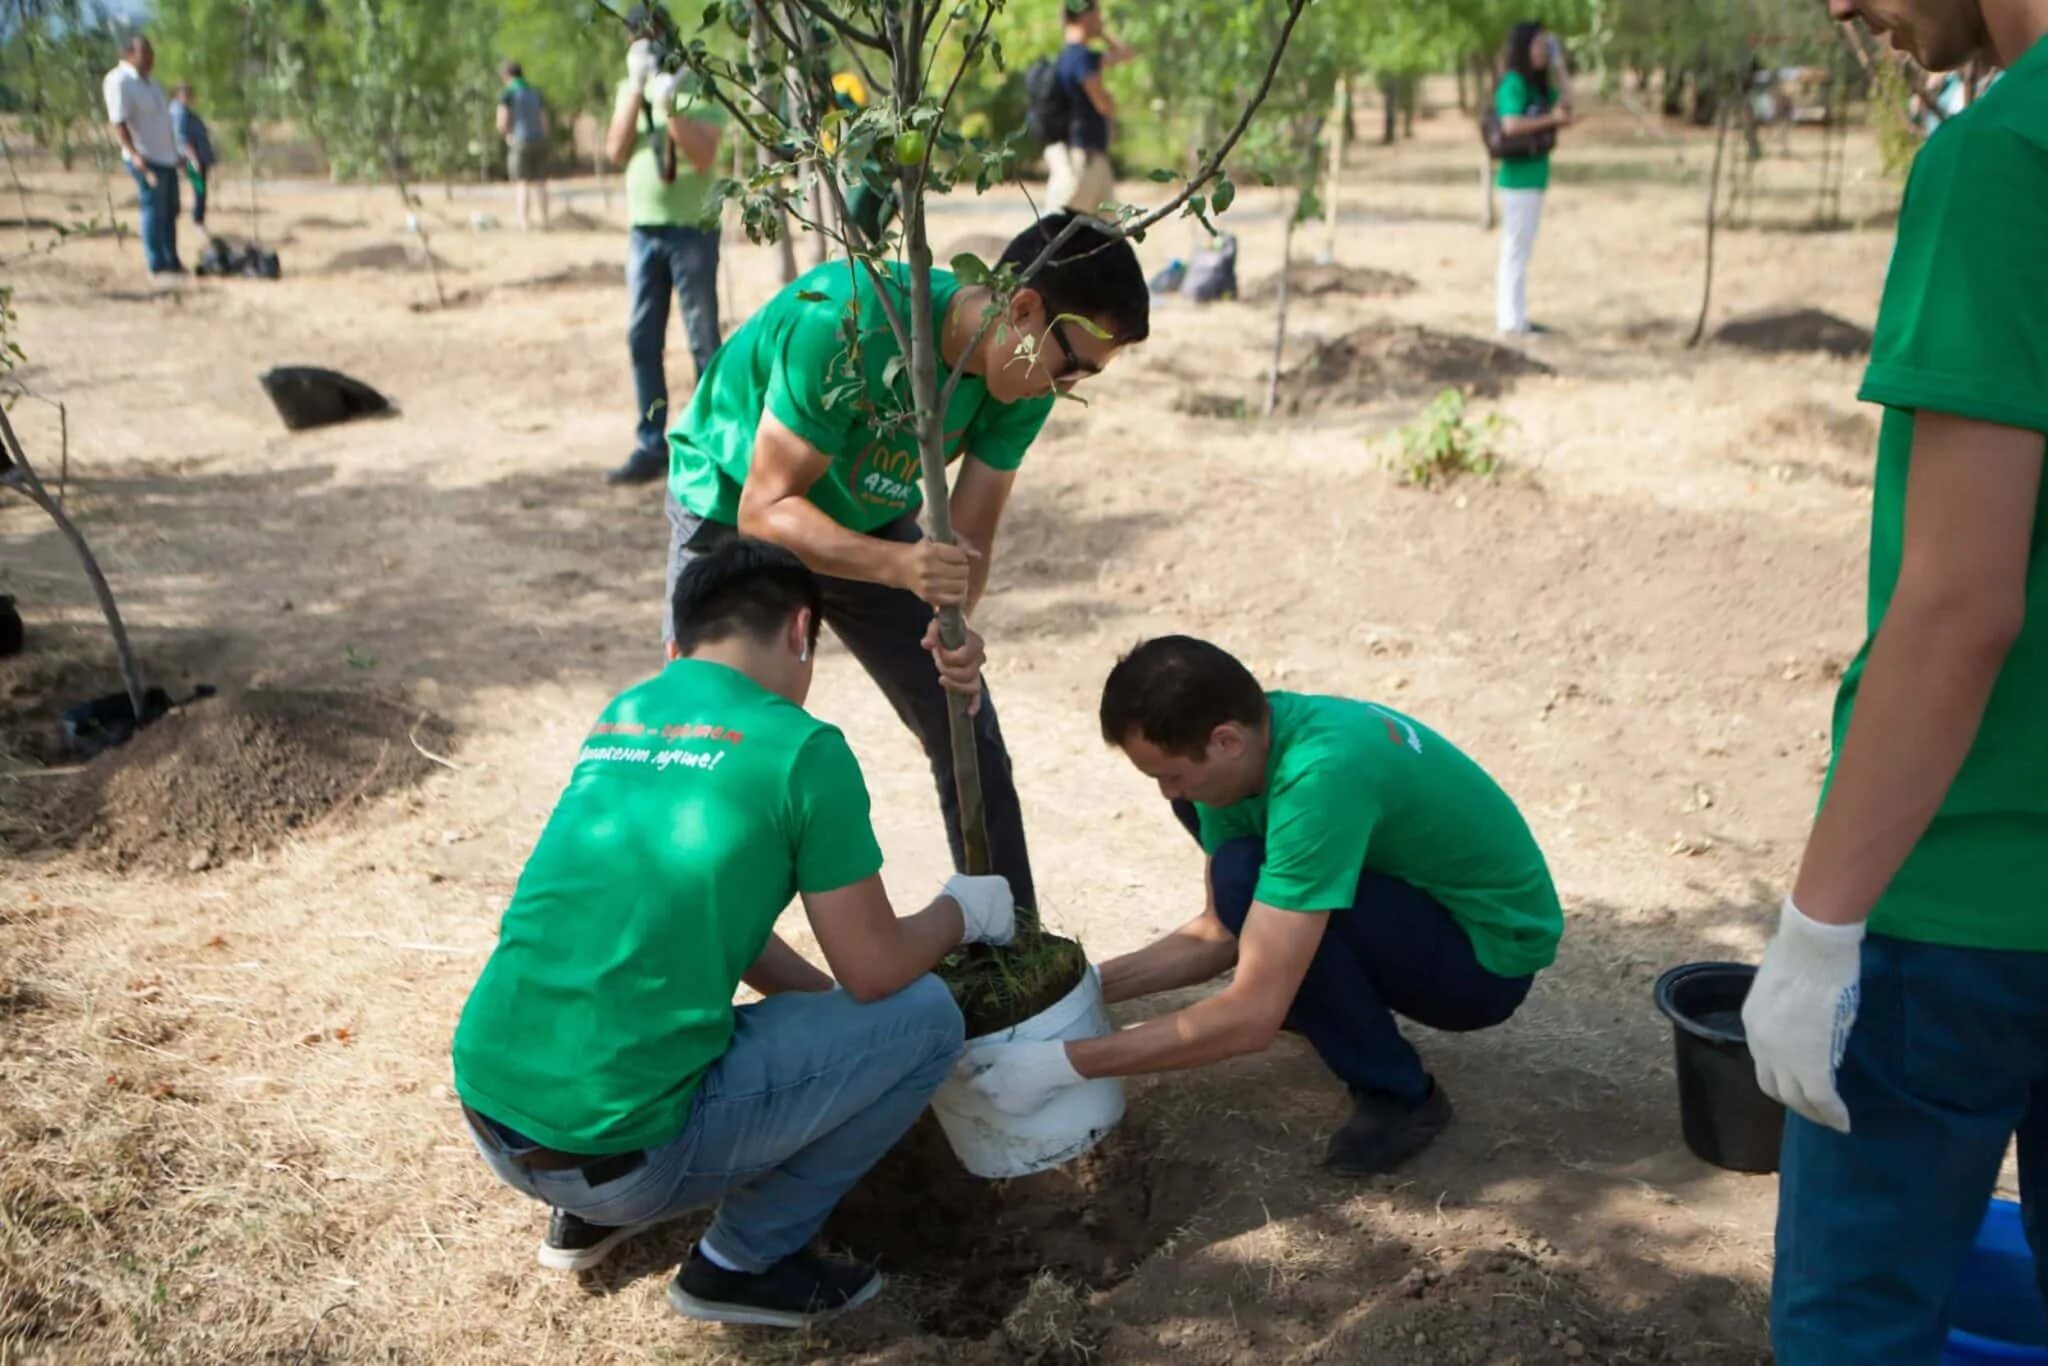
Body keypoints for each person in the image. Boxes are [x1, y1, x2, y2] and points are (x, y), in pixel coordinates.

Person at [452, 537, 1016, 1327]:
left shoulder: (629, 713)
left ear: (678, 644)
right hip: (625, 1153)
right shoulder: (801, 749)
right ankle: (742, 1264)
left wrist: (839, 1037)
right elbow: (877, 972)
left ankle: (588, 1218)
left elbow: (707, 915)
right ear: (799, 630)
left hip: (491, 1109)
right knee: (925, 1020)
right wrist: (964, 910)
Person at [1737, 1, 2048, 1361]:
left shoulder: (2003, 156)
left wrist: (1818, 928)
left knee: (1854, 1326)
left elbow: (1961, 604)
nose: (1839, 8)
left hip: (1970, 891)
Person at [661, 211, 1148, 921]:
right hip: (734, 496)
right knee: (705, 733)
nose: (1067, 386)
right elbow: (766, 512)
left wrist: (953, 629)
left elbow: (969, 539)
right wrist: (900, 566)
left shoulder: (1020, 376)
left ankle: (1009, 947)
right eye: (1072, 364)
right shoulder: (848, 323)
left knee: (964, 714)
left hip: (865, 514)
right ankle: (677, 940)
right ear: (1023, 307)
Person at [959, 636, 1563, 1174]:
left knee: (1264, 901)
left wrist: (1064, 1063)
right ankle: (1313, 989)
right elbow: (1219, 932)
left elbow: (1250, 1019)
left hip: (1483, 963)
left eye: (1169, 774)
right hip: (1410, 904)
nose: (1167, 793)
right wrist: (1078, 991)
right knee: (1244, 877)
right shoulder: (1247, 747)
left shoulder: (1319, 779)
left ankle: (1401, 1098)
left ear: (1225, 739)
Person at [606, 39, 726, 486]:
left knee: (703, 341)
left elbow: (702, 155)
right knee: (642, 338)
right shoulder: (628, 87)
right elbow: (615, 150)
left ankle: (711, 446)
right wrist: (636, 90)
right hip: (644, 231)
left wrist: (668, 101)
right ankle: (651, 444)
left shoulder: (700, 88)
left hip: (693, 231)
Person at [1492, 21, 1572, 337]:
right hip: (1517, 180)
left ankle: (1518, 316)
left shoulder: (1538, 86)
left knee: (1522, 250)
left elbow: (1567, 105)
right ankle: (1510, 320)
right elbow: (1510, 124)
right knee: (1514, 249)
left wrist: (1560, 65)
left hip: (1536, 178)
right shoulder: (1513, 83)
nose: (1542, 51)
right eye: (1539, 45)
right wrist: (1550, 119)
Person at [1046, 0, 1137, 216]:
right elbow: (1103, 104)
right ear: (1085, 17)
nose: (1101, 21)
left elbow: (1126, 54)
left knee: (1107, 235)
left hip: (1092, 160)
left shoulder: (1072, 57)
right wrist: (1111, 102)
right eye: (1097, 16)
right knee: (1062, 232)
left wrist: (1101, 33)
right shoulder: (1082, 59)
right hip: (1082, 162)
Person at [102, 35, 183, 277]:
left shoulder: (152, 84)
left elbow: (163, 122)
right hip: (146, 159)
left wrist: (175, 152)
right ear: (129, 54)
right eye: (145, 53)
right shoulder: (120, 81)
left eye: (151, 53)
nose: (150, 58)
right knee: (153, 209)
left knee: (171, 210)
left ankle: (171, 260)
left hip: (166, 158)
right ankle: (157, 265)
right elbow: (119, 122)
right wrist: (134, 154)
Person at [496, 61, 549, 232]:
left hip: (520, 140)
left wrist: (507, 135)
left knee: (522, 183)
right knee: (540, 182)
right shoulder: (534, 92)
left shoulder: (508, 94)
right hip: (539, 139)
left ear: (507, 76)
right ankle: (545, 220)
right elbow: (544, 119)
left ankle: (524, 223)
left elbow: (502, 121)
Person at [168, 83, 215, 235]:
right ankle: (197, 221)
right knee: (199, 189)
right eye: (186, 95)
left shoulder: (183, 111)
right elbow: (182, 139)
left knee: (200, 188)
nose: (190, 98)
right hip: (192, 159)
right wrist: (193, 159)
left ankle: (197, 219)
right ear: (178, 95)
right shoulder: (179, 113)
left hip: (196, 157)